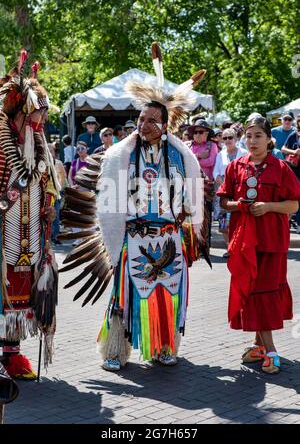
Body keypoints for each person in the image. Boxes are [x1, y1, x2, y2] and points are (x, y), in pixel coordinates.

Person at [60, 42, 207, 372]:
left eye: (152, 120)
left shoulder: (180, 157)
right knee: (124, 297)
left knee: (166, 295)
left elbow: (191, 197)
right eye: (141, 118)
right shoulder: (122, 156)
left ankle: (162, 346)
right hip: (135, 237)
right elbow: (110, 200)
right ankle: (116, 350)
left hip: (168, 237)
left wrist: (185, 216)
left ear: (165, 125)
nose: (144, 124)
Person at [217, 116, 300, 374]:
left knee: (264, 291)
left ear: (269, 139)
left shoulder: (281, 167)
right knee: (250, 290)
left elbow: (293, 204)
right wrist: (238, 205)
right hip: (243, 241)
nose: (252, 142)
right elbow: (223, 202)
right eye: (249, 136)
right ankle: (258, 347)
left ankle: (271, 351)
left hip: (272, 241)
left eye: (258, 136)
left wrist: (269, 207)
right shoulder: (235, 167)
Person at [0, 51, 59, 379]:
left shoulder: (40, 147)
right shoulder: (1, 143)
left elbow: (49, 184)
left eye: (42, 116)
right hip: (4, 231)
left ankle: (12, 357)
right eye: (34, 115)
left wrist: (50, 206)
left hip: (31, 233)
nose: (39, 122)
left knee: (21, 293)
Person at [213, 127, 248, 256]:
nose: (227, 140)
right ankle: (229, 248)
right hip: (224, 191)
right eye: (225, 138)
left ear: (236, 139)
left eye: (230, 137)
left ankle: (240, 247)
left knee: (240, 219)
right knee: (224, 222)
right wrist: (222, 182)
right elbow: (215, 172)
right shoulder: (220, 154)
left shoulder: (244, 153)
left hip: (240, 190)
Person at [281, 114, 300, 232]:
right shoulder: (295, 134)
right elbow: (283, 148)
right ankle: (298, 223)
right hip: (296, 170)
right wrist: (295, 151)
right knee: (296, 196)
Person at [48, 143, 68, 245]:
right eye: (47, 150)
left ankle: (55, 236)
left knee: (55, 216)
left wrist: (59, 189)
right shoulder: (41, 163)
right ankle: (46, 236)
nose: (49, 153)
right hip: (44, 194)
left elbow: (63, 178)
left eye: (51, 150)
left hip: (55, 194)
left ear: (54, 152)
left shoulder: (58, 163)